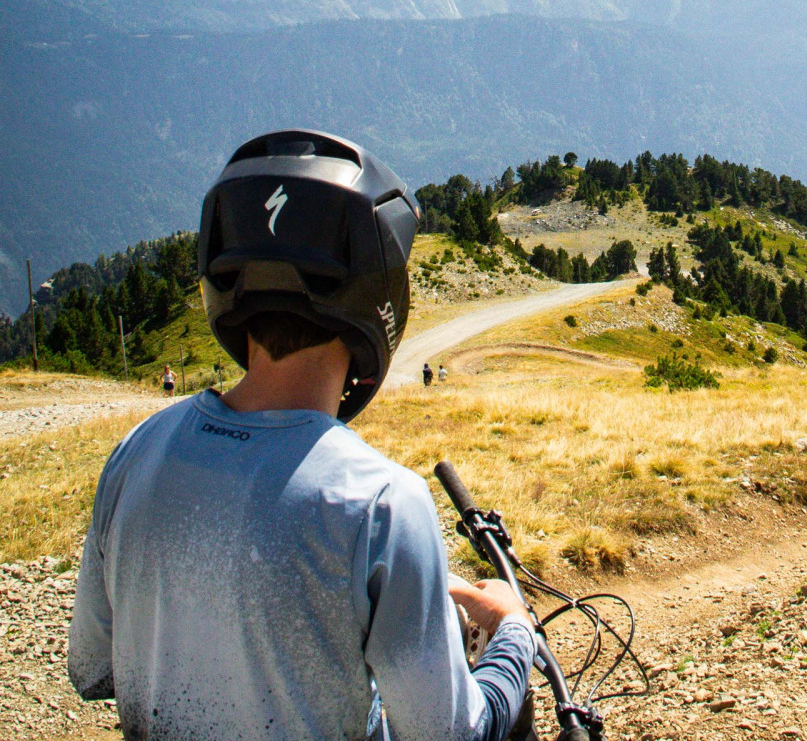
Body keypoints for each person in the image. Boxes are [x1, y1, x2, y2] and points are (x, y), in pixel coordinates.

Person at [69, 130, 535, 741]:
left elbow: (91, 671)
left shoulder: (136, 454)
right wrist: (513, 630)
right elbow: (452, 733)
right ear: (381, 293)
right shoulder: (382, 505)